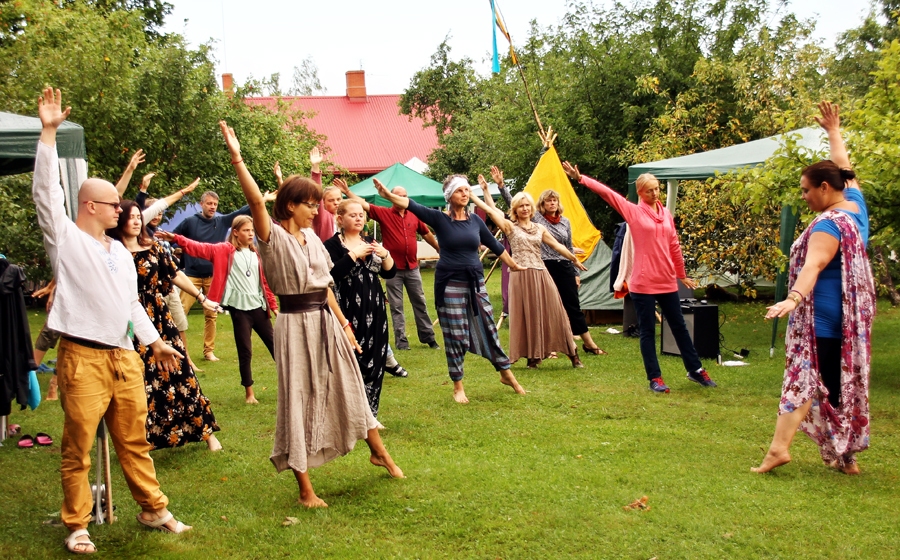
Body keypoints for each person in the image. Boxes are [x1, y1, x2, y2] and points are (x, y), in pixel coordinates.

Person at [33, 87, 190, 555]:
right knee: (77, 446)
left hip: (125, 357)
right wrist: (48, 133)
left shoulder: (119, 251)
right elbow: (47, 193)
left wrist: (154, 342)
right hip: (81, 356)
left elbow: (131, 304)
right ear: (89, 207)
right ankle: (78, 524)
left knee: (134, 439)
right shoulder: (66, 239)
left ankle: (152, 508)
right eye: (110, 205)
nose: (120, 210)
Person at [220, 120, 403, 509]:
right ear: (290, 206)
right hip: (294, 325)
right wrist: (238, 159)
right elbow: (256, 203)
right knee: (298, 397)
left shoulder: (314, 242)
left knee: (351, 385)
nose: (316, 209)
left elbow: (324, 289)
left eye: (318, 203)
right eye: (310, 203)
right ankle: (305, 489)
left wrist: (345, 326)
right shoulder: (273, 238)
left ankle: (379, 451)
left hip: (325, 321)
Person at [753, 101, 875, 475]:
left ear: (825, 188)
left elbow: (814, 264)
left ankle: (778, 449)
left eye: (806, 190)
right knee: (838, 385)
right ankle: (846, 456)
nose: (803, 196)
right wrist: (833, 132)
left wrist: (792, 298)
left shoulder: (828, 224)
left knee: (803, 381)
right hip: (849, 322)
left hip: (820, 318)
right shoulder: (854, 206)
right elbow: (846, 169)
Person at [562, 162, 717, 393]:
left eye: (656, 189)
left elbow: (674, 245)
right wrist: (581, 178)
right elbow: (608, 195)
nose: (654, 193)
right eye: (649, 190)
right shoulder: (633, 212)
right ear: (640, 193)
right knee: (647, 331)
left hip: (666, 281)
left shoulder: (665, 214)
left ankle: (695, 370)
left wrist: (681, 274)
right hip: (643, 283)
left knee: (679, 327)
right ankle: (655, 378)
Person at [374, 176, 527, 404]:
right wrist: (388, 196)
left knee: (489, 329)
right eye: (460, 191)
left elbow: (495, 245)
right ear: (449, 196)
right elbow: (411, 205)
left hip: (475, 283)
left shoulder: (475, 220)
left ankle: (506, 373)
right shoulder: (440, 219)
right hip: (450, 285)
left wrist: (513, 265)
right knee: (455, 335)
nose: (465, 194)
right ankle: (458, 385)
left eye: (467, 190)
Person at [107, 201, 223, 451]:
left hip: (159, 317)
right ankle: (146, 437)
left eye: (139, 217)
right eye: (131, 217)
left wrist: (202, 298)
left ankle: (207, 433)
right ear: (120, 221)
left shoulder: (154, 246)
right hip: (129, 321)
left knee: (181, 371)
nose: (137, 221)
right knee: (142, 379)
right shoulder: (112, 253)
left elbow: (175, 274)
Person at [160, 216, 279, 404]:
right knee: (245, 351)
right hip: (239, 309)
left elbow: (263, 283)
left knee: (276, 347)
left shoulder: (257, 254)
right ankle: (249, 393)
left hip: (258, 307)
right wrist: (176, 238)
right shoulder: (224, 250)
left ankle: (289, 385)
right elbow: (199, 247)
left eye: (252, 230)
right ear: (236, 232)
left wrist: (273, 306)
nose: (250, 234)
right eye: (246, 230)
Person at [470, 186, 587, 369]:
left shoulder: (539, 228)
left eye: (527, 205)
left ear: (531, 208)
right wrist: (477, 195)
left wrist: (574, 260)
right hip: (520, 275)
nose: (524, 208)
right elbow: (490, 211)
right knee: (526, 316)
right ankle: (532, 357)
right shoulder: (510, 227)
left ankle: (573, 353)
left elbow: (558, 246)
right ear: (515, 209)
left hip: (541, 273)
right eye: (521, 206)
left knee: (556, 312)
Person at [337, 181, 441, 350]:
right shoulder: (384, 213)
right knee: (396, 306)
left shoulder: (414, 215)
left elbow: (426, 233)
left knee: (420, 302)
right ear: (392, 198)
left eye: (404, 196)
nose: (402, 198)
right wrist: (348, 191)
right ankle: (402, 342)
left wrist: (438, 248)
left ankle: (429, 338)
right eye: (398, 196)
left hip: (413, 267)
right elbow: (364, 204)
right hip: (393, 270)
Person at [324, 200, 396, 417]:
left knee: (377, 357)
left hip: (375, 308)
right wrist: (354, 255)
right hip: (348, 308)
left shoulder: (370, 241)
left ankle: (371, 415)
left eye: (361, 215)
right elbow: (331, 275)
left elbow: (389, 274)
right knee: (353, 359)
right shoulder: (331, 245)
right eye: (352, 215)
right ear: (340, 219)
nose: (358, 218)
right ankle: (353, 413)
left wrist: (385, 255)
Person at [171, 189, 251, 362]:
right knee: (179, 312)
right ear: (201, 204)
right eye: (209, 203)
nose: (212, 207)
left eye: (215, 204)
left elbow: (242, 212)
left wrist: (261, 199)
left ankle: (209, 351)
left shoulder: (221, 221)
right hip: (191, 275)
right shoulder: (190, 222)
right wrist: (177, 249)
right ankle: (176, 349)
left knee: (211, 314)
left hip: (212, 276)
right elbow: (173, 237)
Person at [531, 187, 605, 355]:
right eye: (548, 201)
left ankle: (589, 344)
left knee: (573, 306)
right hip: (546, 266)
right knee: (549, 307)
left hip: (565, 266)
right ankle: (551, 348)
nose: (552, 203)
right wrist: (501, 186)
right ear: (542, 204)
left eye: (554, 200)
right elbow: (517, 204)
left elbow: (569, 248)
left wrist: (575, 273)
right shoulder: (537, 219)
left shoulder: (565, 222)